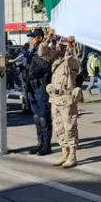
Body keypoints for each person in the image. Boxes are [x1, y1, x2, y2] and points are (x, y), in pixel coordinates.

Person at [40, 30, 81, 168]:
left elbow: (72, 62)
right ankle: (64, 152)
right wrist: (48, 37)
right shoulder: (56, 58)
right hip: (55, 98)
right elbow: (41, 53)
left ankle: (73, 155)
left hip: (67, 98)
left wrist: (70, 45)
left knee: (69, 127)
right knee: (59, 127)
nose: (59, 47)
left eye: (62, 45)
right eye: (60, 45)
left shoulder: (73, 60)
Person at [22, 29, 53, 156]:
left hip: (41, 87)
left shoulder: (45, 50)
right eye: (30, 38)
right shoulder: (32, 51)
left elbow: (46, 66)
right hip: (31, 87)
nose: (31, 40)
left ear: (40, 38)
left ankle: (46, 145)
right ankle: (39, 143)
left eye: (33, 38)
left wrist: (33, 57)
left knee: (44, 117)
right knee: (36, 117)